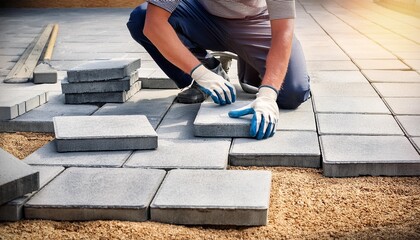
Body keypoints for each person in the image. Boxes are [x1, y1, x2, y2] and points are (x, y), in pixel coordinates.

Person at [127, 0, 310, 140]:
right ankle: (209, 66)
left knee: (292, 93)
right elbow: (154, 23)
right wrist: (200, 73)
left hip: (255, 22)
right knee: (140, 19)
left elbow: (283, 32)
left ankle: (248, 65)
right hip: (201, 16)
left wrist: (268, 95)